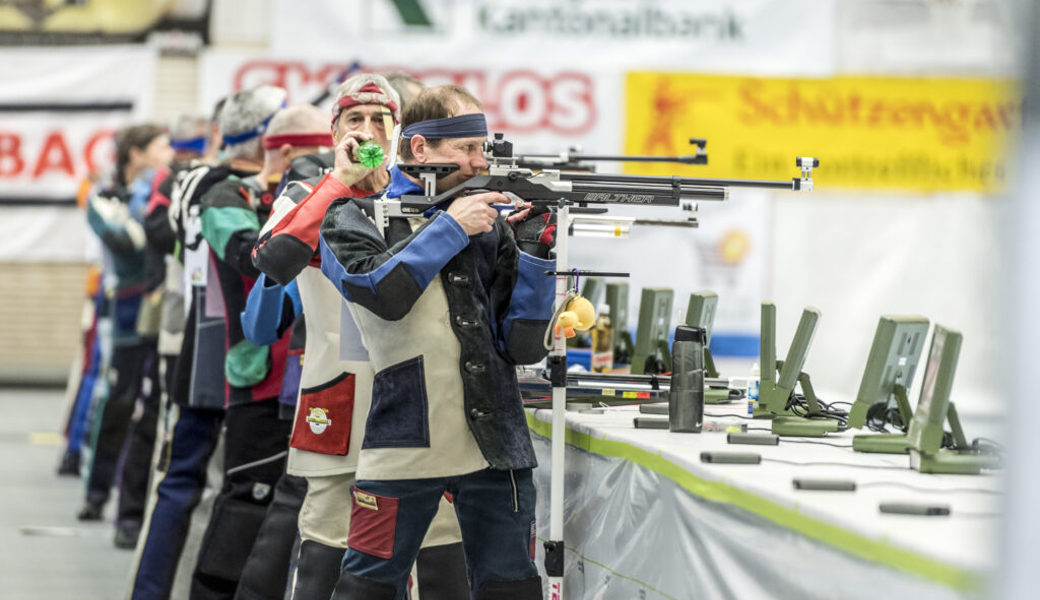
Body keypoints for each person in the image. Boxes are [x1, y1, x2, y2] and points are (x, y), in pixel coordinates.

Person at [318, 85, 557, 599]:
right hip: (405, 438)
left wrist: (535, 252)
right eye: (467, 149)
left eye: (483, 150)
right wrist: (450, 228)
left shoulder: (488, 228)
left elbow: (522, 348)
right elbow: (380, 293)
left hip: (496, 445)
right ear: (421, 148)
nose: (479, 163)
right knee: (366, 588)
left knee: (511, 587)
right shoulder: (352, 218)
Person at [253, 73, 468, 600]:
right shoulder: (306, 195)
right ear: (334, 131)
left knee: (439, 551)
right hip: (339, 403)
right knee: (327, 549)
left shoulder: (428, 198)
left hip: (425, 409)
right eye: (355, 119)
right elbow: (273, 262)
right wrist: (340, 184)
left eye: (381, 120)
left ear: (400, 133)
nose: (367, 131)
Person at [80, 124, 173, 523]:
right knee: (118, 403)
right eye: (160, 146)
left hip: (163, 313)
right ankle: (97, 492)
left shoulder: (165, 187)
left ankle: (132, 511)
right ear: (135, 153)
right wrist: (145, 207)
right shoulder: (102, 195)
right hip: (126, 317)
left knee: (151, 412)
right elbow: (125, 239)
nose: (169, 152)